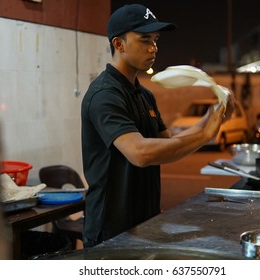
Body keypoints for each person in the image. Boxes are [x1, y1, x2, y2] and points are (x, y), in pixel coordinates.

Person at [81, 3, 234, 248]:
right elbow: (141, 153)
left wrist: (212, 117)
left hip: (145, 221)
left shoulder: (144, 95)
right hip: (111, 228)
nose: (153, 48)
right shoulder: (104, 95)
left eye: (155, 39)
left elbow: (167, 145)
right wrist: (206, 133)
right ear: (119, 44)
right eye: (144, 40)